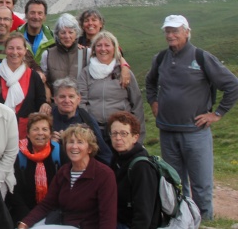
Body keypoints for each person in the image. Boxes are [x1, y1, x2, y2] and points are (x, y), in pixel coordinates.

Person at [146, 14, 238, 220]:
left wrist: (217, 114)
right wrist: (153, 102)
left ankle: (205, 221)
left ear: (187, 32)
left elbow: (232, 85)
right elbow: (150, 82)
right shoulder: (160, 58)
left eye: (175, 31)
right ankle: (182, 220)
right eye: (167, 31)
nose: (170, 35)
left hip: (196, 132)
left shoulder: (201, 57)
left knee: (201, 183)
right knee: (175, 182)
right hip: (167, 131)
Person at [17, 124, 117, 229]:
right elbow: (47, 204)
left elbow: (108, 217)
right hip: (63, 224)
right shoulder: (64, 171)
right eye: (71, 142)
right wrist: (24, 223)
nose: (74, 146)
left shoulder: (104, 175)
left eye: (80, 142)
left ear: (90, 149)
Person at [78, 31, 145, 142]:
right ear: (94, 49)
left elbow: (136, 103)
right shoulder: (86, 72)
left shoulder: (124, 72)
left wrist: (138, 136)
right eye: (99, 45)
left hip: (121, 130)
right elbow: (81, 101)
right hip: (94, 130)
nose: (103, 49)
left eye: (107, 45)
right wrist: (89, 125)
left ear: (115, 48)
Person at [6, 113, 64, 225]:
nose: (40, 133)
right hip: (23, 211)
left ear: (50, 133)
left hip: (54, 212)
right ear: (27, 133)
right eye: (35, 129)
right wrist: (28, 219)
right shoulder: (17, 153)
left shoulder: (59, 152)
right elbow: (13, 191)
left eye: (45, 129)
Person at [108, 111, 160, 229]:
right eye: (114, 133)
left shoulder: (141, 166)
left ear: (135, 137)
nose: (118, 138)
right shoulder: (116, 159)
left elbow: (144, 213)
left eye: (124, 133)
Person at [0, 32, 50, 138]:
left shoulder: (34, 76)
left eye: (19, 48)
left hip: (26, 133)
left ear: (25, 51)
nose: (15, 52)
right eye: (11, 48)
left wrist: (45, 105)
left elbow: (41, 102)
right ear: (5, 50)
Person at [51, 78, 112, 165]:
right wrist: (49, 143)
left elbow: (103, 152)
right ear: (55, 99)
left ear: (78, 99)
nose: (67, 101)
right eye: (62, 97)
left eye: (71, 96)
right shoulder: (47, 119)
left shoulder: (87, 119)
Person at [40, 13, 87, 95]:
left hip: (80, 104)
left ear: (76, 34)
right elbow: (43, 81)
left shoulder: (86, 54)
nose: (67, 36)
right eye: (63, 32)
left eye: (71, 32)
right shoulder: (47, 55)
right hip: (55, 104)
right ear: (57, 34)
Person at [17, 0, 55, 64]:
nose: (36, 17)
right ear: (26, 15)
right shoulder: (14, 37)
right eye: (32, 13)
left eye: (40, 13)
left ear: (45, 17)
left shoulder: (53, 38)